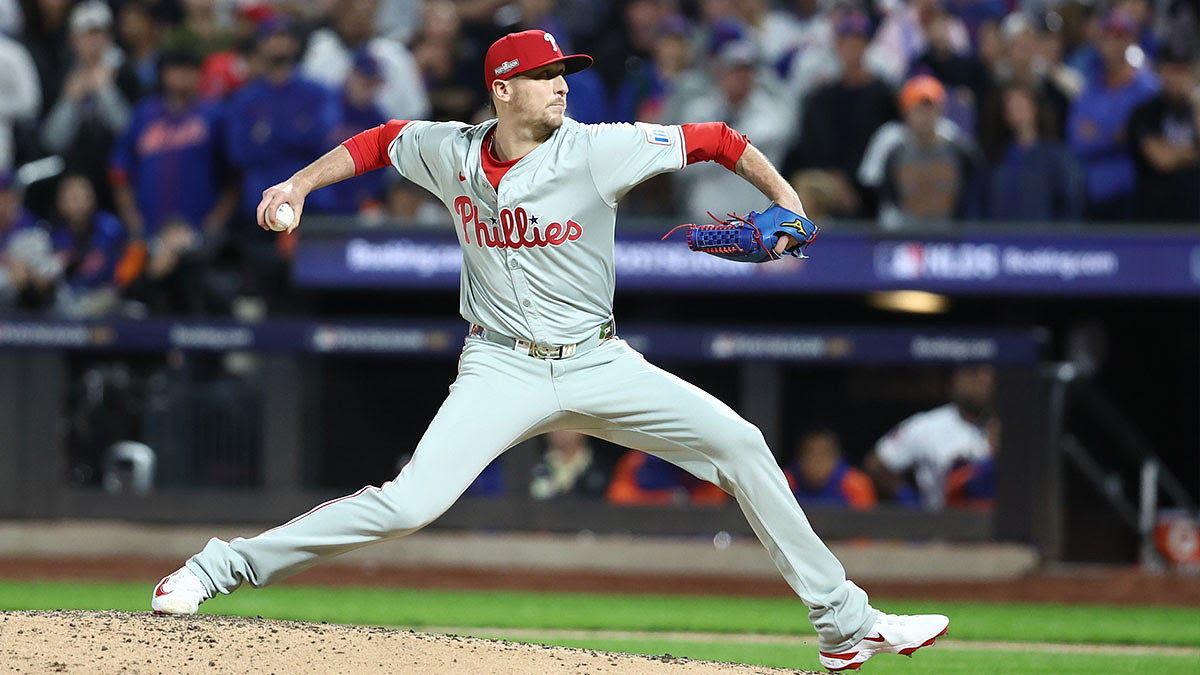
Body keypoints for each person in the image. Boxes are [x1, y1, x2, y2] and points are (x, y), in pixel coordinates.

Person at [149, 30, 948, 672]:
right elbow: (378, 141)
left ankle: (844, 625)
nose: (562, 84)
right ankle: (218, 568)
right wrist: (296, 185)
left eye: (565, 72)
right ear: (502, 89)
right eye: (543, 74)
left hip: (598, 361)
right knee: (408, 504)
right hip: (501, 364)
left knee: (741, 443)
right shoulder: (452, 149)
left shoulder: (597, 147)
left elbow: (716, 137)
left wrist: (785, 199)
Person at [109, 46, 233, 241]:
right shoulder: (144, 114)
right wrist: (133, 221)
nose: (183, 76)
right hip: (149, 231)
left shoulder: (215, 114)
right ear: (163, 74)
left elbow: (234, 174)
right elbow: (119, 171)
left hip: (200, 231)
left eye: (190, 70)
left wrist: (215, 221)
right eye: (176, 69)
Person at [1065, 10, 1160, 221]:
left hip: (1135, 192)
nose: (1115, 46)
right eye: (1109, 38)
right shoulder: (1090, 89)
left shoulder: (1147, 87)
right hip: (1090, 193)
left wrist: (1099, 133)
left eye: (1121, 38)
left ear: (1131, 42)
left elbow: (1138, 138)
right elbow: (1078, 141)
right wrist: (1115, 136)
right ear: (1100, 42)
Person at [858, 74, 984, 231]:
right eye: (918, 108)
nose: (924, 116)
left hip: (946, 234)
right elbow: (871, 186)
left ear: (941, 109)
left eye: (930, 108)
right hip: (898, 233)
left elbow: (974, 178)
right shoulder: (890, 140)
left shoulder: (955, 142)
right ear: (905, 110)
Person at [864, 365, 998, 511]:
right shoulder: (927, 425)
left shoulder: (1010, 425)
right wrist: (907, 497)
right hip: (943, 522)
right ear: (952, 383)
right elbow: (876, 464)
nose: (979, 383)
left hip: (996, 525)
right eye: (971, 374)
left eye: (986, 376)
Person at [986, 84, 1084, 220]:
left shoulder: (1057, 156)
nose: (1014, 109)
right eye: (1009, 106)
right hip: (1002, 236)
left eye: (1020, 104)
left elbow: (1071, 201)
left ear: (1034, 108)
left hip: (1045, 236)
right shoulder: (996, 159)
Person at [1127, 43, 1200, 223]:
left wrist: (1197, 105)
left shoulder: (1196, 109)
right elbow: (1162, 160)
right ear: (1160, 71)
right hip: (1156, 219)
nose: (1177, 78)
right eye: (1171, 70)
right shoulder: (1144, 113)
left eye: (1182, 70)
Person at [783, 429, 876, 511]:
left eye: (823, 455)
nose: (816, 462)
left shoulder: (856, 484)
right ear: (799, 458)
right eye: (810, 454)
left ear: (836, 458)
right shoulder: (784, 482)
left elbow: (867, 524)